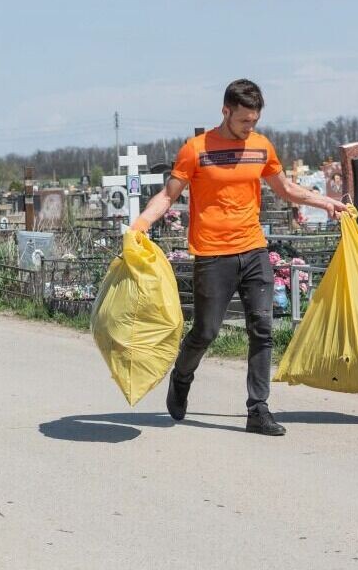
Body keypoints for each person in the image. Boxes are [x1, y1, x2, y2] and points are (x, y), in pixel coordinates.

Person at [132, 79, 346, 436]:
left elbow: (285, 188)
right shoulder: (195, 150)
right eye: (244, 120)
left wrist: (325, 201)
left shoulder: (261, 147)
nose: (250, 127)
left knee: (262, 328)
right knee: (206, 331)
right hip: (213, 255)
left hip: (253, 249)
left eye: (255, 121)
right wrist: (139, 225)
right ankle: (181, 377)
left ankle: (258, 410)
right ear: (225, 111)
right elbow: (168, 196)